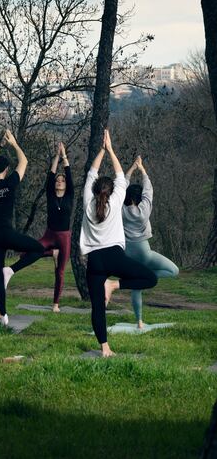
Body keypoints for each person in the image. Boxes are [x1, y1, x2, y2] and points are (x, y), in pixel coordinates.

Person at [80, 130, 158, 357]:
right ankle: (114, 285)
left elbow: (91, 173)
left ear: (94, 190)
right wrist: (110, 149)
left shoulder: (88, 201)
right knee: (149, 278)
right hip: (115, 257)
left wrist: (101, 151)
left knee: (97, 308)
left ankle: (105, 348)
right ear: (112, 191)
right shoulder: (116, 201)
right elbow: (120, 175)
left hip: (94, 261)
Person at [0, 130, 45, 325]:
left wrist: (0, 145)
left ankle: (4, 315)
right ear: (7, 169)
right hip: (6, 233)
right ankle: (13, 270)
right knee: (39, 249)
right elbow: (23, 162)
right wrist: (14, 144)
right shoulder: (9, 184)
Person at [123, 155, 179, 328]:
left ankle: (139, 321)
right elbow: (149, 189)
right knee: (173, 270)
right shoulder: (144, 209)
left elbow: (121, 184)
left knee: (136, 285)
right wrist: (142, 169)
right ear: (138, 198)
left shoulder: (120, 209)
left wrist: (131, 169)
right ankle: (148, 277)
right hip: (144, 252)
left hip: (127, 254)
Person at [37, 142, 74, 312]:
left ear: (66, 185)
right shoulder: (50, 195)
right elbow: (50, 175)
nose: (59, 182)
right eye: (57, 181)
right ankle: (52, 252)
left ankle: (56, 304)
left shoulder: (69, 196)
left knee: (60, 272)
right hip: (49, 235)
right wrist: (57, 157)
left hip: (64, 237)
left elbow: (69, 173)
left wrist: (64, 156)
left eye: (62, 181)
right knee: (27, 251)